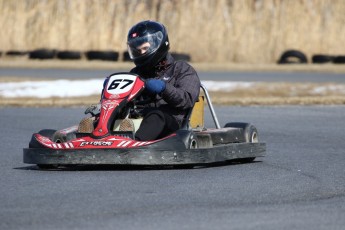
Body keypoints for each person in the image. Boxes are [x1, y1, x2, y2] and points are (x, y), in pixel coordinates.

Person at [87, 20, 201, 141]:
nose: (141, 53)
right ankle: (90, 136)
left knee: (156, 115)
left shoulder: (181, 69)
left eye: (145, 48)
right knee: (107, 117)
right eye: (137, 50)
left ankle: (136, 144)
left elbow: (187, 99)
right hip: (139, 117)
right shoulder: (136, 73)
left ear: (159, 43)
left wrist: (164, 88)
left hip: (172, 122)